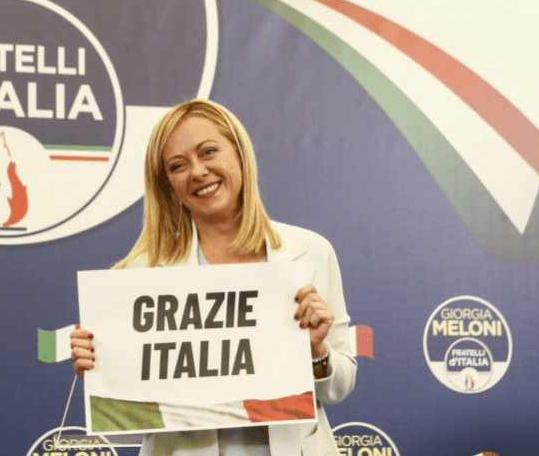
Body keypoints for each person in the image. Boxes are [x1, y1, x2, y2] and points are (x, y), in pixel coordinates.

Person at [71, 99, 356, 456]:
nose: (197, 172)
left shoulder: (312, 251)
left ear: (239, 152)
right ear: (168, 183)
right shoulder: (141, 273)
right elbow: (131, 407)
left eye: (208, 151)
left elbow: (338, 387)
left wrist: (317, 351)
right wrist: (103, 365)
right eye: (177, 166)